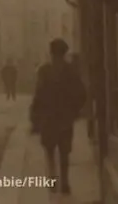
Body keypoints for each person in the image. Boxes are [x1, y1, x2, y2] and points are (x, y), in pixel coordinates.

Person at [30, 38, 86, 195]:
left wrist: (35, 117)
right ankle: (65, 182)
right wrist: (75, 111)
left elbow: (38, 95)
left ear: (51, 53)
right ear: (64, 53)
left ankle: (52, 180)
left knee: (49, 152)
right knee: (64, 153)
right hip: (65, 118)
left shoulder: (44, 71)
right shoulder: (71, 71)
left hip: (48, 118)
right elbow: (81, 94)